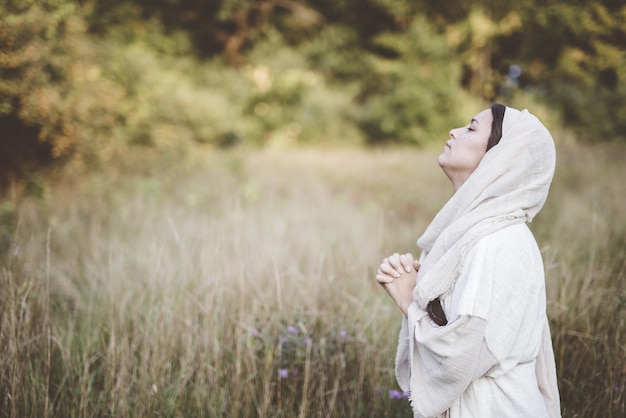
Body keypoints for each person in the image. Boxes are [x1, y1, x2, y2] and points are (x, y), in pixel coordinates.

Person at [375, 104, 561, 417]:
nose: (454, 132)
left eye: (471, 128)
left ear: (499, 158)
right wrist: (417, 284)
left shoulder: (496, 240)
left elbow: (462, 354)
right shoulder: (470, 235)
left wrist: (409, 301)